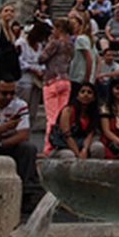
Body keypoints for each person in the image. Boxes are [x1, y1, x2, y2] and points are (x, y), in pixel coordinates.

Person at [38, 19, 71, 155]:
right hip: (65, 79)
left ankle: (48, 146)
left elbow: (42, 57)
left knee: (51, 116)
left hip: (52, 80)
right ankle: (62, 143)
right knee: (62, 115)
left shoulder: (55, 43)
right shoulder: (70, 45)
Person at [50, 82, 105, 159]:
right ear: (77, 95)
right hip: (64, 146)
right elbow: (67, 135)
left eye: (89, 92)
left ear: (94, 98)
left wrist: (85, 150)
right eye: (82, 92)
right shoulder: (68, 111)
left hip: (82, 145)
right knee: (69, 155)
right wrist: (78, 154)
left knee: (98, 147)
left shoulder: (94, 114)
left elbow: (90, 135)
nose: (85, 94)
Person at [15, 22, 46, 127]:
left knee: (33, 109)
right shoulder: (21, 43)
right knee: (22, 107)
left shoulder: (39, 45)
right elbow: (19, 61)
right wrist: (31, 68)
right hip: (24, 79)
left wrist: (42, 69)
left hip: (36, 80)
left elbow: (40, 60)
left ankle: (28, 129)